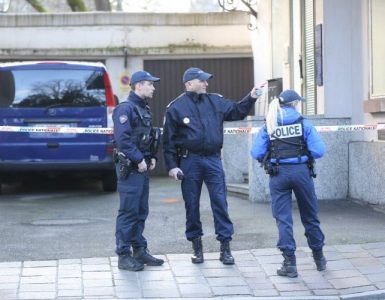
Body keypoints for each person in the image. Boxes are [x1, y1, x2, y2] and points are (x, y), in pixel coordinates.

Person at [163, 67, 263, 265]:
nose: (207, 84)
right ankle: (197, 248)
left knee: (220, 202)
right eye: (202, 81)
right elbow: (168, 141)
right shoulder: (176, 107)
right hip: (189, 161)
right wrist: (172, 166)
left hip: (213, 160)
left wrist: (251, 97)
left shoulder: (215, 101)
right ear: (189, 83)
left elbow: (237, 111)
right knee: (191, 204)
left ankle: (225, 248)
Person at [250, 89, 327, 278]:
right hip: (302, 173)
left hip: (278, 175)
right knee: (310, 216)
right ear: (294, 104)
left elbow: (256, 152)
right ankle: (319, 258)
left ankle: (289, 263)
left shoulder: (270, 123)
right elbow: (319, 151)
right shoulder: (303, 123)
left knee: (283, 219)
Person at [113, 70, 164, 271]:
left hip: (141, 168)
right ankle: (124, 255)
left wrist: (151, 157)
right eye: (150, 84)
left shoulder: (143, 108)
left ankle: (139, 250)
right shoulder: (125, 108)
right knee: (128, 212)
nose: (153, 87)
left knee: (141, 211)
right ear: (139, 85)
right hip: (130, 168)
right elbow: (123, 140)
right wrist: (139, 159)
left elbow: (146, 138)